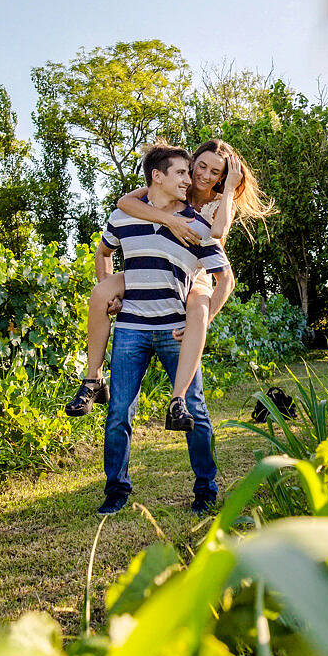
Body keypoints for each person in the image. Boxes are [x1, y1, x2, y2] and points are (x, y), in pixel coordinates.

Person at [65, 138, 273, 429]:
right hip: (155, 267)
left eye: (215, 172)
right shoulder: (175, 184)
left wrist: (228, 191)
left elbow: (217, 232)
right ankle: (93, 380)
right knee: (101, 292)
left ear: (222, 177)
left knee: (199, 309)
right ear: (192, 162)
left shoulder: (220, 202)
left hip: (195, 274)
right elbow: (124, 203)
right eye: (201, 166)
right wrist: (169, 220)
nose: (204, 176)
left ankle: (179, 400)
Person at [94, 143, 234, 516]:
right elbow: (104, 250)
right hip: (131, 327)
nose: (194, 178)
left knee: (194, 409)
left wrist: (200, 321)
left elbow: (224, 277)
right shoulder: (127, 214)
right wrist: (110, 291)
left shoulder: (199, 223)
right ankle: (116, 489)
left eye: (207, 173)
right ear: (159, 176)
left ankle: (205, 489)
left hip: (176, 325)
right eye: (187, 171)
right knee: (119, 411)